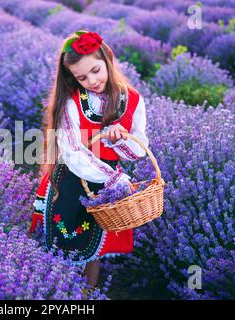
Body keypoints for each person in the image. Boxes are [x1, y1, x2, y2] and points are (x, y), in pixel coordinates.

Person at [29, 30, 149, 289]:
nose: (91, 81)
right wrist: (114, 177)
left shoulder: (132, 99)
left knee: (96, 244)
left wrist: (119, 141)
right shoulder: (71, 104)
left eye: (96, 70)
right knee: (66, 243)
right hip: (71, 183)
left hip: (106, 186)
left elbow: (140, 148)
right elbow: (73, 153)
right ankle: (56, 293)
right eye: (81, 77)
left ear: (108, 59)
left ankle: (87, 293)